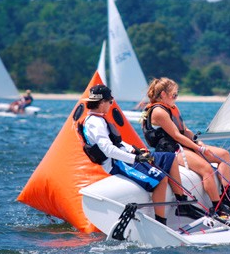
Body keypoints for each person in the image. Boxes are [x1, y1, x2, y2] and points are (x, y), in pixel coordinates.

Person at [80, 84, 203, 225]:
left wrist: (134, 149)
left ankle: (183, 204)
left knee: (170, 158)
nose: (110, 105)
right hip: (118, 164)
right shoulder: (95, 123)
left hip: (125, 158)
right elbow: (108, 150)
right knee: (161, 179)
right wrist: (135, 158)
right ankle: (161, 221)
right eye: (110, 102)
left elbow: (116, 142)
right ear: (102, 103)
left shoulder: (98, 118)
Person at [142, 77, 230, 217]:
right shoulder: (159, 111)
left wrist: (198, 142)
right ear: (163, 95)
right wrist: (198, 148)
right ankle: (217, 206)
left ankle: (227, 198)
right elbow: (176, 136)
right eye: (174, 95)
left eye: (177, 94)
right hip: (171, 149)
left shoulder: (172, 108)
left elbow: (185, 130)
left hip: (184, 145)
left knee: (223, 155)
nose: (176, 98)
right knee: (207, 169)